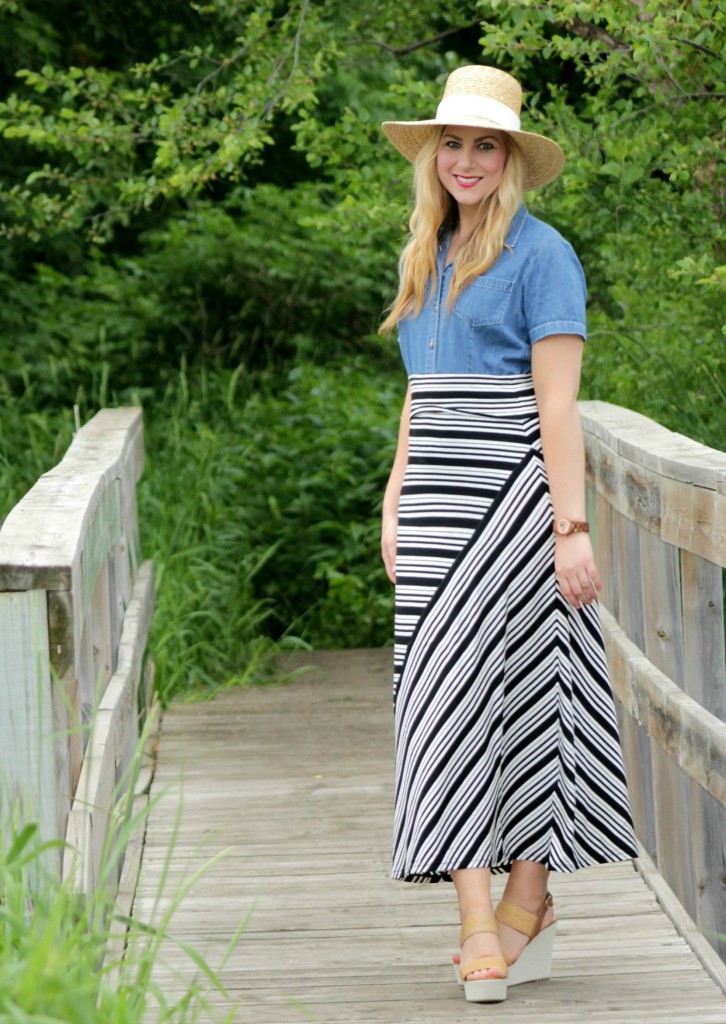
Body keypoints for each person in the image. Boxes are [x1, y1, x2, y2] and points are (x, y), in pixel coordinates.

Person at [378, 65, 638, 1004]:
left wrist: (572, 527)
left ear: (513, 159)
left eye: (486, 145)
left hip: (515, 498)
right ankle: (476, 918)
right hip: (437, 502)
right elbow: (418, 395)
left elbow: (558, 407)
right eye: (453, 143)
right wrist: (396, 495)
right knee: (439, 702)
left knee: (530, 694)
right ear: (433, 157)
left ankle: (525, 906)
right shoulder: (424, 251)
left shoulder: (544, 256)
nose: (466, 160)